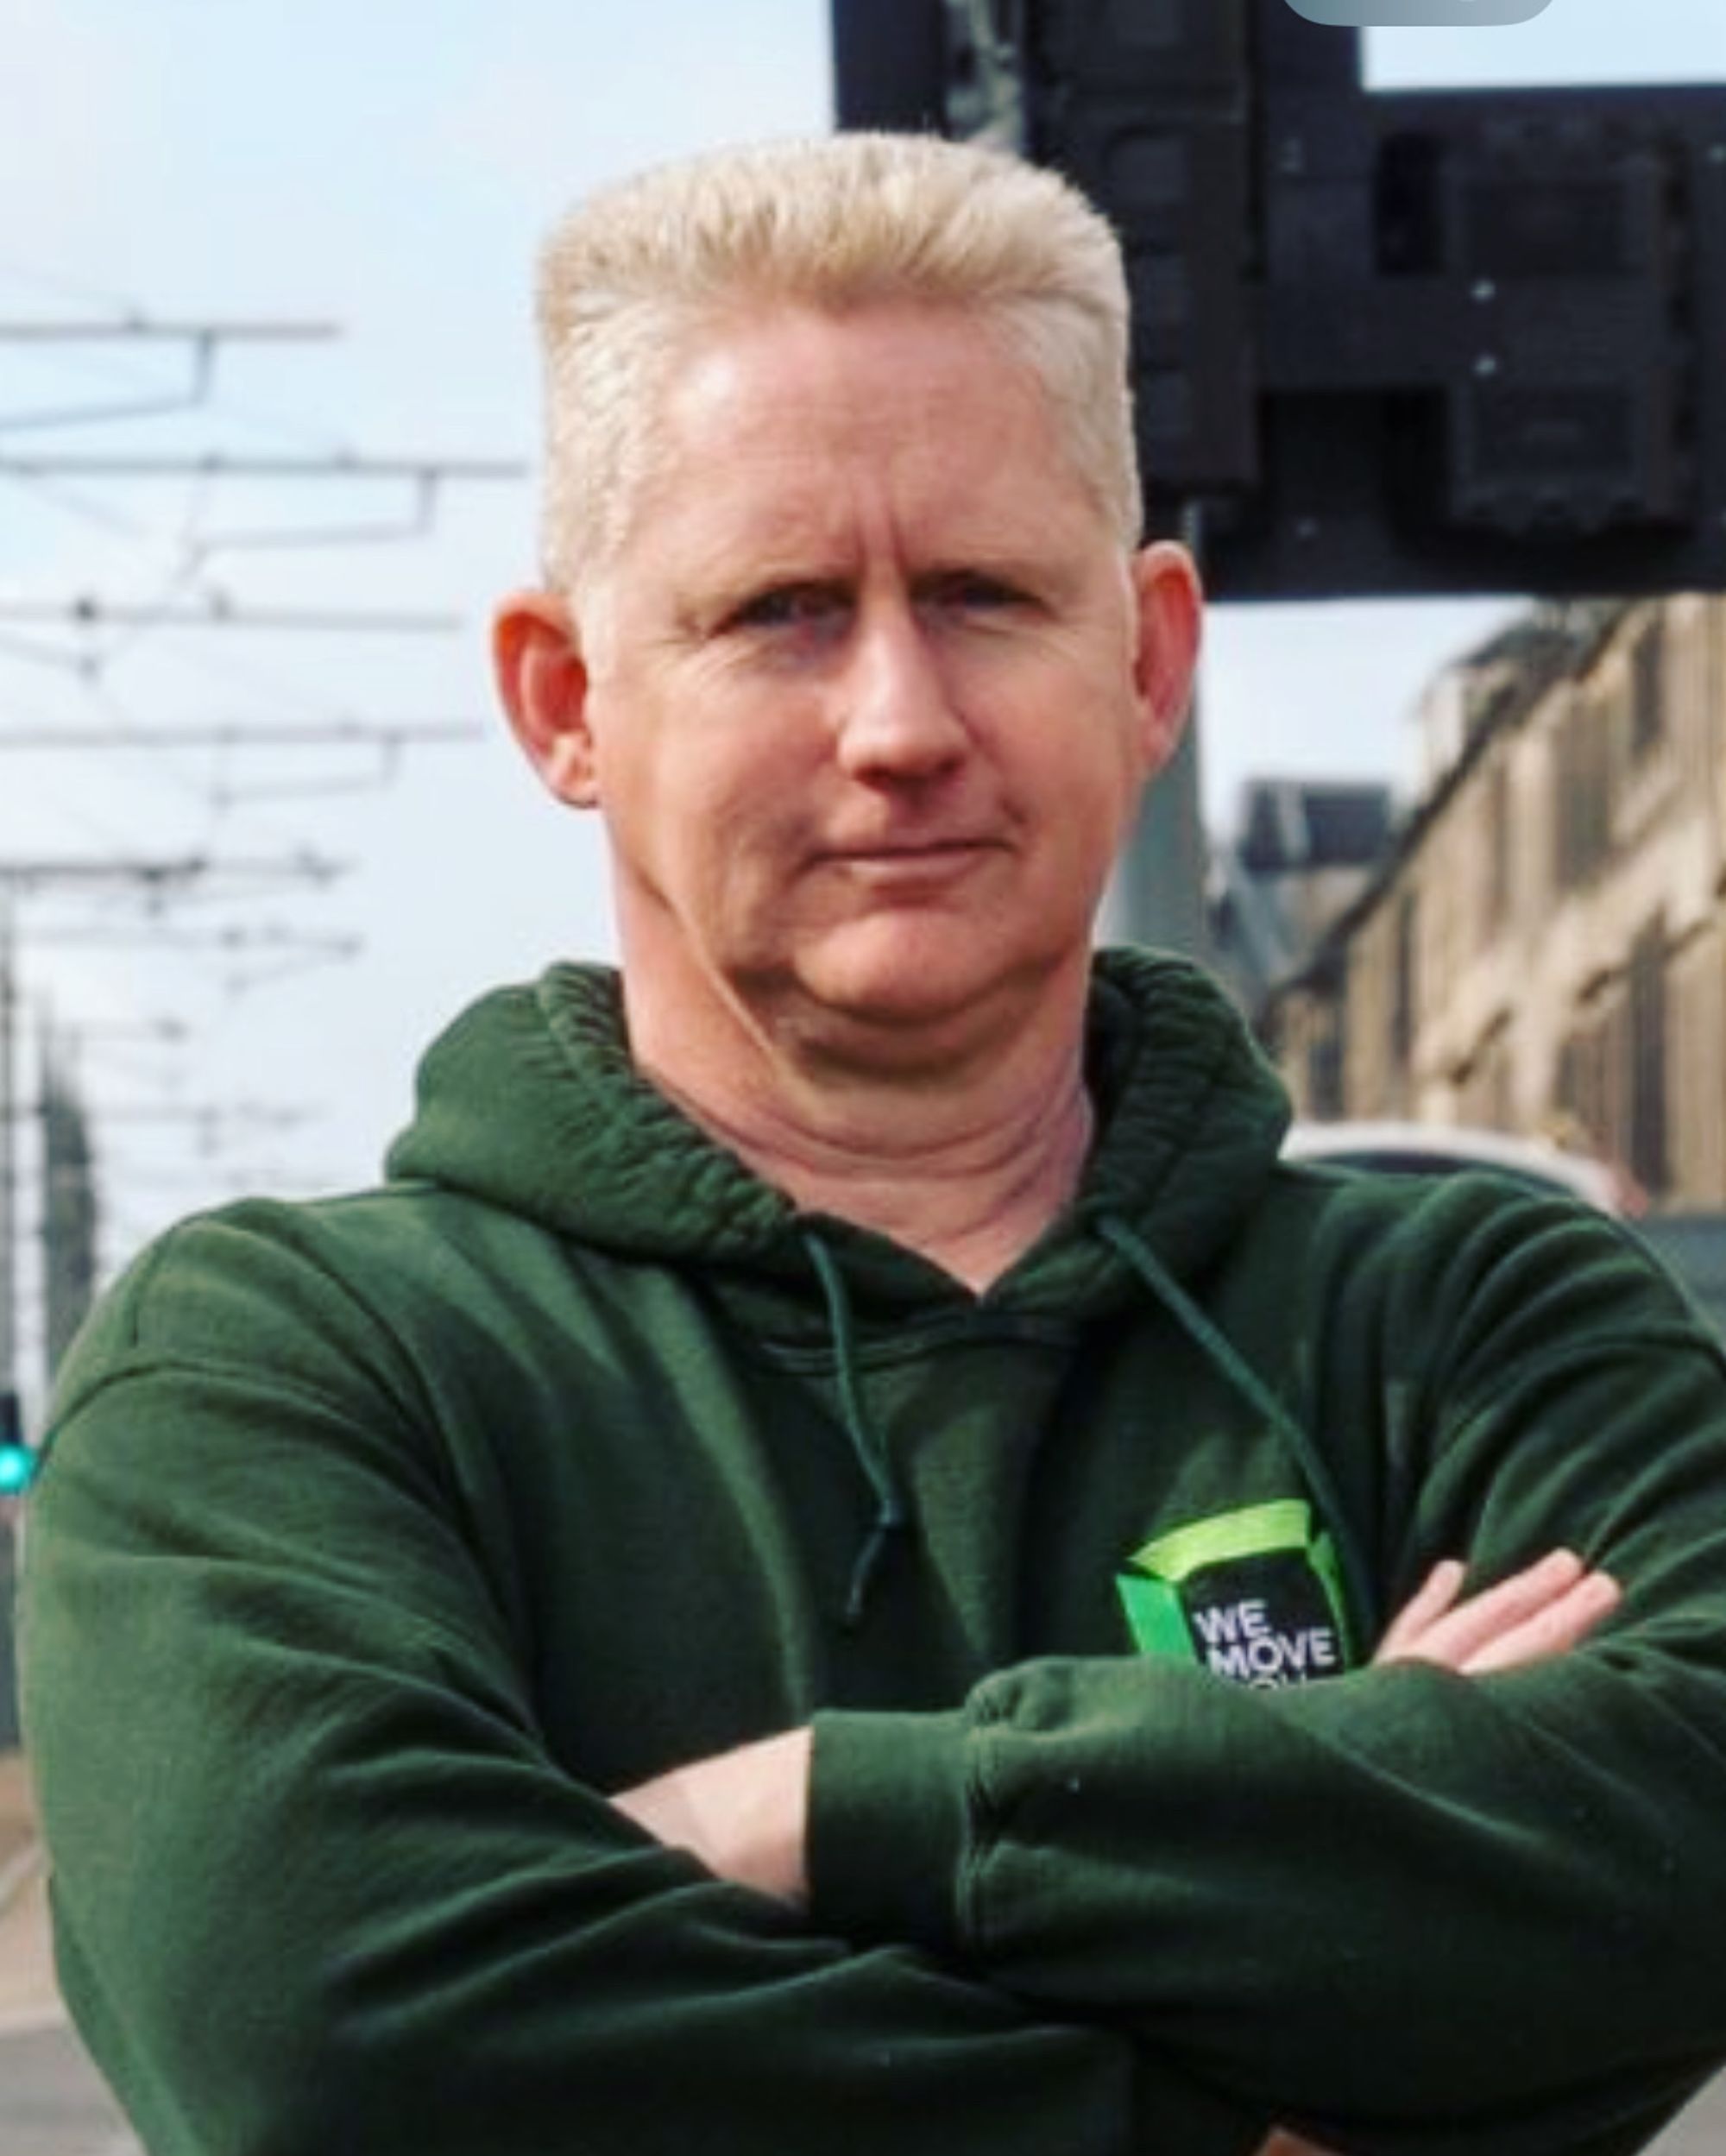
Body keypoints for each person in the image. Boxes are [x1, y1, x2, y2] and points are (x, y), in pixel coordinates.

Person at [17, 130, 1726, 2156]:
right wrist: (1264, 2070)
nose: (901, 720)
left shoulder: (1472, 1313)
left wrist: (820, 1808)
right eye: (783, 611)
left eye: (988, 594)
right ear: (567, 698)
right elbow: (328, 2017)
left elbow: (1687, 1855)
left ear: (1151, 657)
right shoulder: (287, 1367)